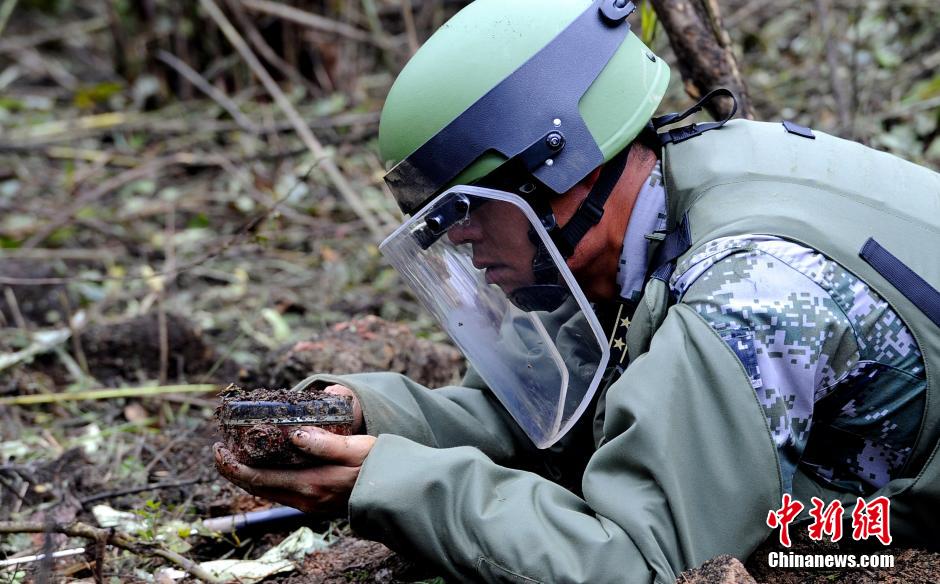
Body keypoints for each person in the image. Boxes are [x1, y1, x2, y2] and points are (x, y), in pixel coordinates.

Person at [215, 0, 940, 581]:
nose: (460, 241)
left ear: (563, 169)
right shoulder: (648, 215)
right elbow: (544, 415)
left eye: (469, 210)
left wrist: (392, 484)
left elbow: (642, 564)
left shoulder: (749, 295)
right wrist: (358, 418)